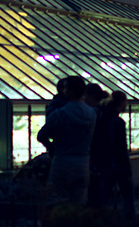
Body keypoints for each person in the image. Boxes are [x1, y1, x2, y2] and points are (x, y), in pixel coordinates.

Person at [36, 75, 96, 206]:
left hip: (62, 163)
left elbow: (42, 135)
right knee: (78, 206)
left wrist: (51, 148)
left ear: (69, 91)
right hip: (83, 164)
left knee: (57, 205)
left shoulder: (60, 114)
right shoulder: (91, 114)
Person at [91, 90, 134, 217]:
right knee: (128, 196)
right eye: (126, 102)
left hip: (101, 163)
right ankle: (130, 220)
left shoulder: (100, 116)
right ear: (121, 102)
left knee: (102, 197)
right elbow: (121, 148)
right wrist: (128, 171)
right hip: (116, 164)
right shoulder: (117, 122)